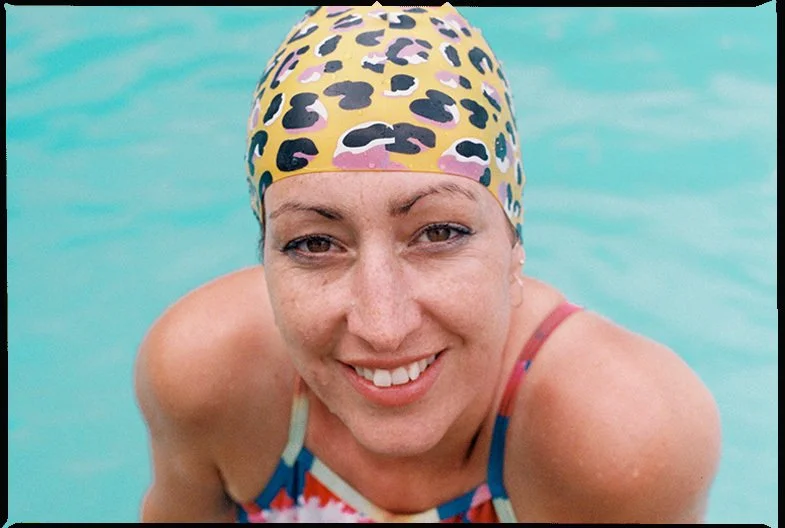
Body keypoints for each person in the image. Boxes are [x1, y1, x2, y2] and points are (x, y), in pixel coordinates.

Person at [134, 3, 722, 523]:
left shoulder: (620, 444)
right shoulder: (205, 379)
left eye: (438, 232)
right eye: (315, 243)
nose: (382, 324)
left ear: (515, 247)